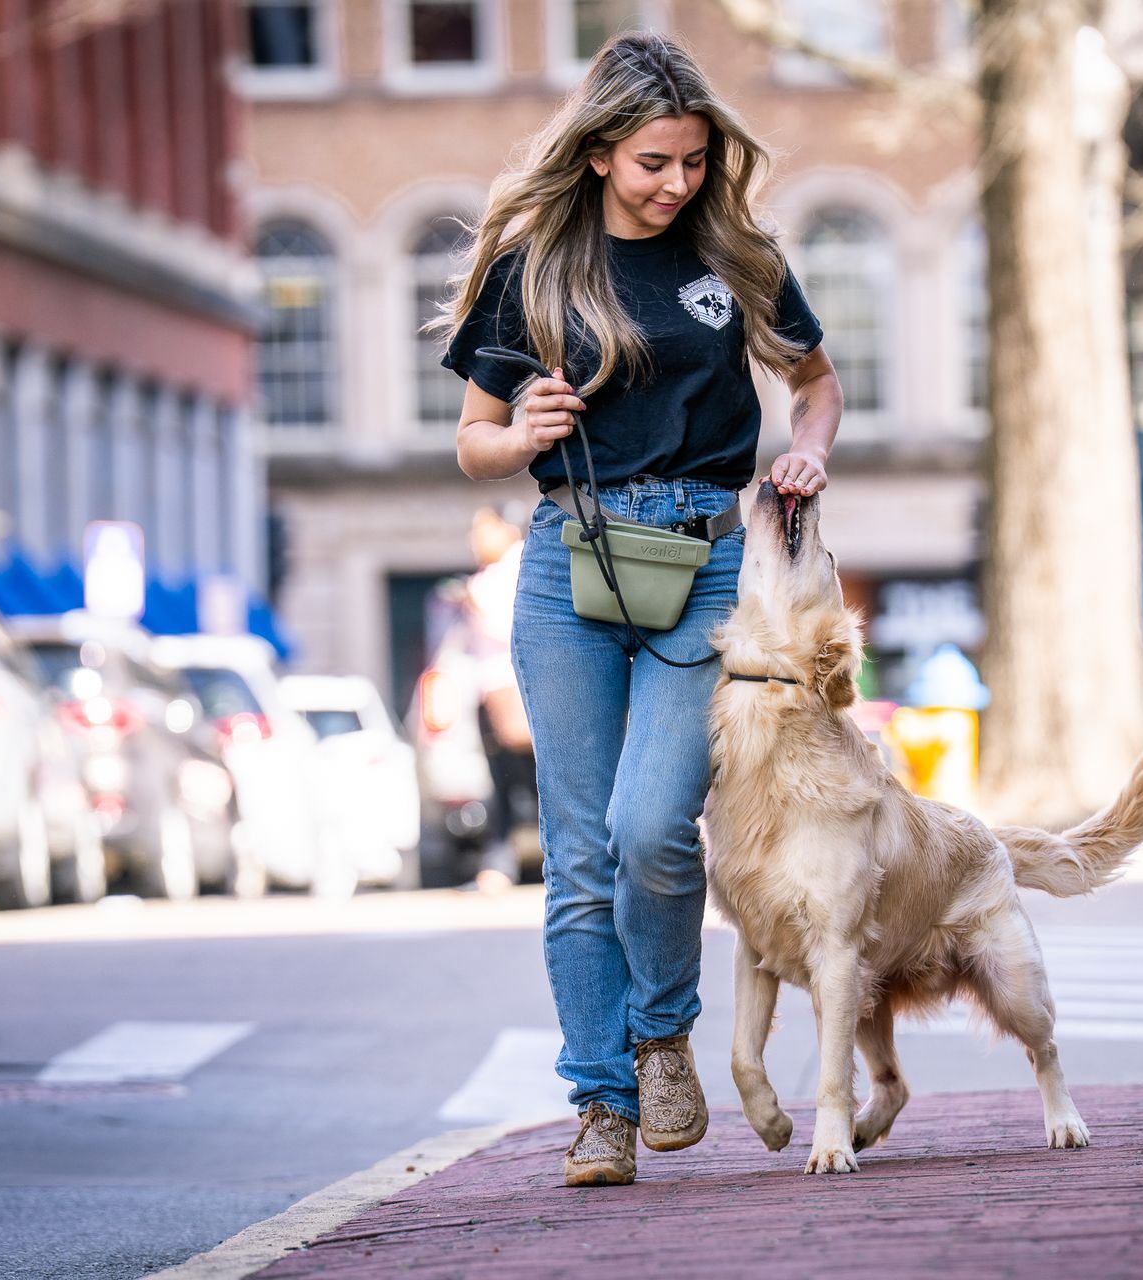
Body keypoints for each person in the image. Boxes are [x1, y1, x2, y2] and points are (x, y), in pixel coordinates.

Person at [433, 31, 840, 1188]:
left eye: (695, 163)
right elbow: (472, 437)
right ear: (603, 149)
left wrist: (806, 454)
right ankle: (602, 1099)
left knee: (652, 827)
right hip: (570, 563)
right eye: (656, 162)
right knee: (577, 854)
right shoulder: (536, 267)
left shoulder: (733, 257)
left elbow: (815, 383)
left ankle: (663, 1034)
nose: (678, 184)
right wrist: (521, 435)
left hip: (707, 564)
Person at [461, 503, 534, 892]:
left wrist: (476, 601)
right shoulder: (489, 573)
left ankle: (508, 862)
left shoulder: (519, 566)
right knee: (502, 783)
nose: (476, 540)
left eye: (483, 529)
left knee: (532, 779)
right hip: (492, 690)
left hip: (514, 689)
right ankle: (500, 861)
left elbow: (509, 626)